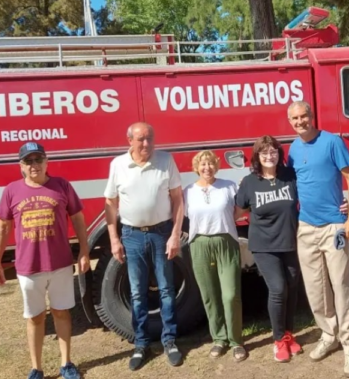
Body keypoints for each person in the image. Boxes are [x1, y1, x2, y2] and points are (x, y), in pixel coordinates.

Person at [0, 142, 90, 379]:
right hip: (28, 266)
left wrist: (84, 250)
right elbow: (3, 227)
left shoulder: (62, 186)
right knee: (35, 317)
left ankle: (66, 364)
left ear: (47, 162)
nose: (34, 165)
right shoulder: (11, 190)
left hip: (60, 264)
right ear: (21, 166)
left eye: (38, 159)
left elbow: (77, 218)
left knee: (61, 312)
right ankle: (36, 368)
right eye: (28, 161)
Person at [286, 100, 349, 378]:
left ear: (312, 116)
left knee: (341, 287)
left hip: (334, 226)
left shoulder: (332, 142)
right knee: (316, 290)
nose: (300, 122)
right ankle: (329, 335)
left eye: (303, 116)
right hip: (305, 227)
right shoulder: (293, 149)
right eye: (294, 118)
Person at [103, 122, 184, 370]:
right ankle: (141, 344)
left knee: (166, 290)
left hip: (161, 233)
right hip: (132, 235)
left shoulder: (166, 160)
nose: (146, 144)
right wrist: (114, 239)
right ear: (130, 140)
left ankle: (170, 341)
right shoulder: (118, 165)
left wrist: (175, 235)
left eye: (150, 138)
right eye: (140, 139)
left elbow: (178, 199)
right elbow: (110, 203)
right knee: (137, 293)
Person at [234, 135, 302, 362]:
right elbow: (237, 210)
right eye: (264, 153)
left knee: (292, 287)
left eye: (273, 152)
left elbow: (311, 195)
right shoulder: (249, 182)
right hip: (264, 246)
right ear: (257, 157)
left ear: (279, 154)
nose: (269, 156)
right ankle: (278, 340)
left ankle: (289, 335)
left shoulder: (289, 176)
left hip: (290, 241)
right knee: (279, 288)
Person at [183, 150, 248, 362]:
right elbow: (183, 215)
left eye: (210, 164)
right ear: (196, 167)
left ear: (216, 166)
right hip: (200, 243)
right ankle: (219, 338)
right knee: (210, 295)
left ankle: (236, 341)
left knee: (230, 294)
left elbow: (239, 211)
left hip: (226, 241)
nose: (207, 168)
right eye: (202, 164)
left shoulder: (229, 186)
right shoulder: (188, 191)